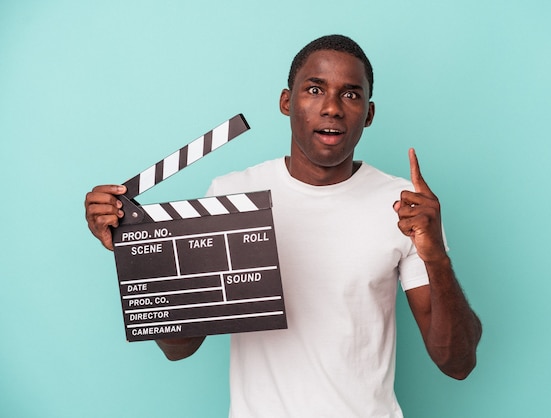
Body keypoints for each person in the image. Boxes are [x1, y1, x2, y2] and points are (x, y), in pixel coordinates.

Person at [85, 34, 482, 417]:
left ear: (369, 113)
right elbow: (178, 346)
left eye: (350, 94)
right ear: (286, 102)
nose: (332, 107)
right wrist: (136, 246)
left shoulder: (403, 207)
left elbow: (457, 362)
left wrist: (437, 260)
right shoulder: (230, 196)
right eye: (314, 89)